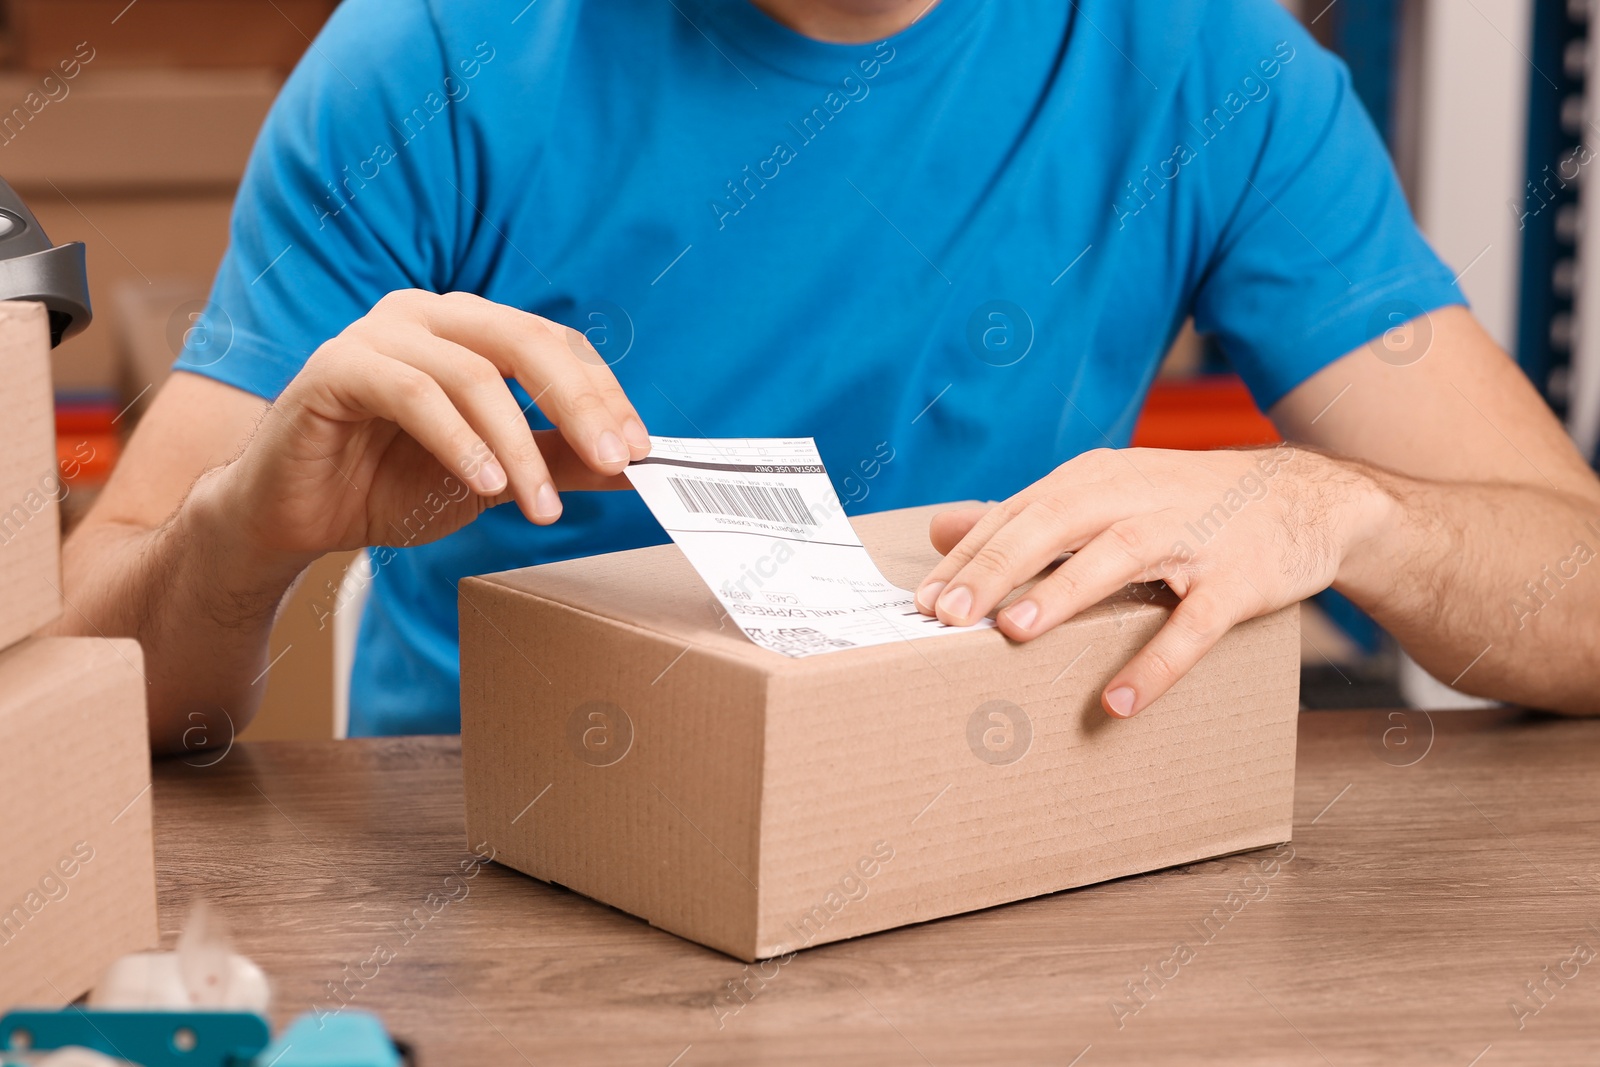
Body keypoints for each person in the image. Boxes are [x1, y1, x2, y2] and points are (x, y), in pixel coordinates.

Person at [57, 0, 1600, 752]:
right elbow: (82, 670)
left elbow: (1579, 594)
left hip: (993, 824)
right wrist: (243, 536)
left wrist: (1341, 512)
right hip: (496, 876)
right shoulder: (435, 57)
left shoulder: (1208, 64)